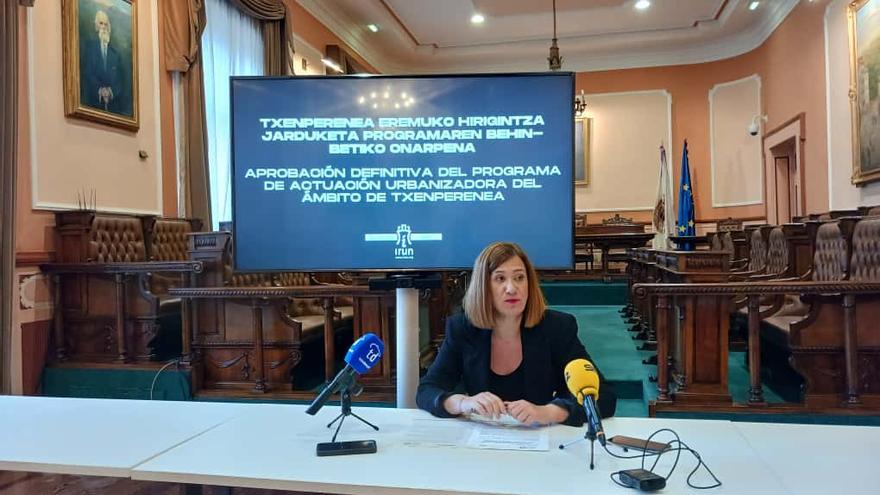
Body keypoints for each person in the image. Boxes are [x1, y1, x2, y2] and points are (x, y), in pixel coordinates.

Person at [416, 242, 617, 427]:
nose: (512, 288)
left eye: (520, 278)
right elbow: (427, 390)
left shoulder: (557, 327)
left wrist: (549, 412)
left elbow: (604, 396)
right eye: (500, 278)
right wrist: (462, 402)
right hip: (483, 442)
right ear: (483, 287)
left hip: (540, 440)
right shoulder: (463, 328)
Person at [81, 10, 126, 114]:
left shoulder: (115, 54)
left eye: (106, 24)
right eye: (101, 23)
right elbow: (87, 74)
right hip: (93, 105)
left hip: (113, 108)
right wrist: (99, 90)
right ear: (96, 26)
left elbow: (120, 80)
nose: (104, 27)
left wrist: (110, 91)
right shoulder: (90, 48)